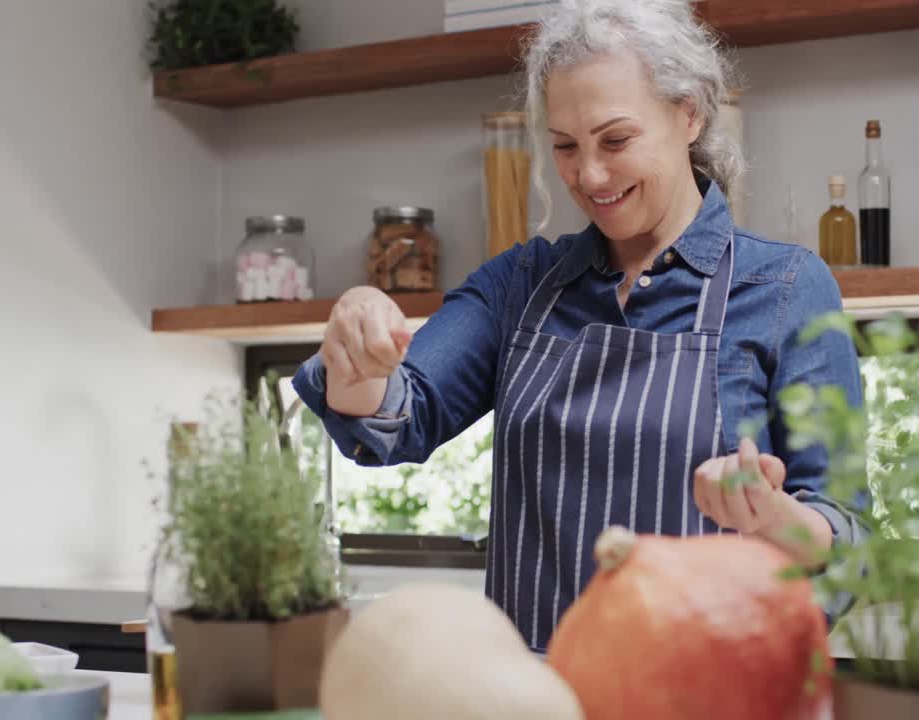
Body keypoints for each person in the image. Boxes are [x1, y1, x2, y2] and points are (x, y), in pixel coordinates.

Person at [292, 0, 865, 652]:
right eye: (565, 147)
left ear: (689, 114)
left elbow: (846, 532)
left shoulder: (786, 288)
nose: (589, 175)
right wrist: (356, 353)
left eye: (616, 140)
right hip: (531, 697)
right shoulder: (522, 284)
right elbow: (400, 414)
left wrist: (778, 520)